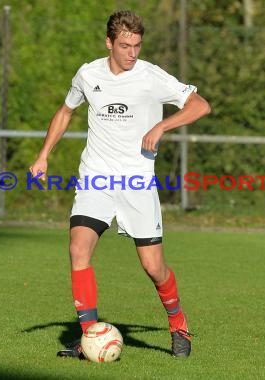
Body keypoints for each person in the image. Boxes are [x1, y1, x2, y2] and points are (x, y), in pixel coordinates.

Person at [29, 9, 210, 359]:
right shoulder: (88, 73)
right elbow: (66, 111)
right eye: (125, 45)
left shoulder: (150, 76)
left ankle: (178, 325)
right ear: (109, 42)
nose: (132, 53)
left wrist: (162, 126)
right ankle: (89, 338)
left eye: (137, 45)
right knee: (78, 250)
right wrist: (43, 155)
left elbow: (200, 105)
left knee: (153, 267)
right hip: (96, 178)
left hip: (136, 182)